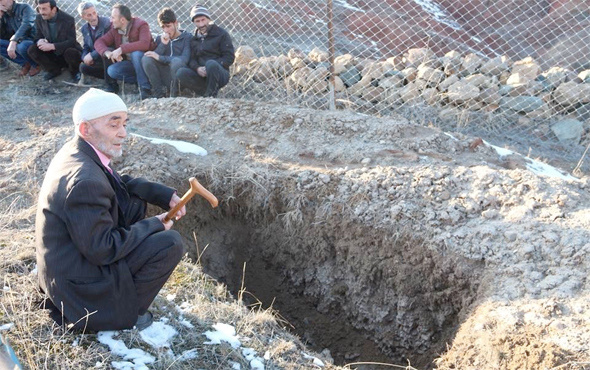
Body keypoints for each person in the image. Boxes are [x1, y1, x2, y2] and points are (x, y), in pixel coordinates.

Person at [35, 88, 186, 332]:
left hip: (71, 267)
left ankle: (119, 294)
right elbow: (103, 250)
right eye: (114, 125)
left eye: (125, 124)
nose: (123, 133)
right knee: (169, 243)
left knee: (134, 200)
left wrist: (162, 194)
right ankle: (123, 311)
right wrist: (154, 224)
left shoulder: (78, 152)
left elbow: (116, 182)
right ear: (86, 129)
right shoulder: (84, 181)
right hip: (77, 295)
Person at [94, 4, 153, 98]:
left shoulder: (141, 24)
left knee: (136, 54)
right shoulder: (115, 29)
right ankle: (141, 80)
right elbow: (99, 42)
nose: (110, 20)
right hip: (130, 64)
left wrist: (121, 49)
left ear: (122, 20)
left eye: (113, 17)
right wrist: (107, 53)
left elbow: (145, 43)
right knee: (112, 71)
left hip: (147, 63)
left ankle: (145, 88)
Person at [175, 5, 234, 97]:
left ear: (208, 19)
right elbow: (191, 59)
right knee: (181, 73)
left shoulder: (221, 34)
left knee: (211, 64)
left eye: (203, 20)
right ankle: (203, 94)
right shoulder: (193, 38)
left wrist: (209, 66)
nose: (201, 24)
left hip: (219, 72)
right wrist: (197, 68)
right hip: (201, 74)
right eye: (197, 21)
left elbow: (229, 57)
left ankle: (211, 95)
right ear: (194, 22)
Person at [141, 7, 190, 98]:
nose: (166, 30)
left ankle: (174, 95)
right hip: (165, 75)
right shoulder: (160, 38)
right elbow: (154, 56)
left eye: (168, 26)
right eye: (163, 27)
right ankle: (159, 94)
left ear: (176, 23)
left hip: (180, 76)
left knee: (176, 61)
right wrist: (163, 45)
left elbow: (184, 59)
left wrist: (161, 58)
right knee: (147, 58)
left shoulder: (187, 37)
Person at [27, 0, 82, 81]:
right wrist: (40, 41)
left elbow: (71, 41)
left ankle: (75, 72)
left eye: (44, 9)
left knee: (71, 52)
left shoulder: (68, 19)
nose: (41, 12)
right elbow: (38, 36)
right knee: (32, 50)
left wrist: (53, 46)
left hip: (65, 51)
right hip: (53, 53)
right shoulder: (39, 18)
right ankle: (53, 70)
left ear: (54, 9)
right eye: (40, 8)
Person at [0, 0, 40, 76]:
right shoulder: (5, 14)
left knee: (22, 46)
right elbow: (3, 35)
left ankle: (36, 65)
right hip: (18, 41)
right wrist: (0, 18)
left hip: (32, 40)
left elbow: (27, 25)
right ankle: (25, 63)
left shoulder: (24, 7)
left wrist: (13, 41)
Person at [78, 2, 110, 82]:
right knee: (83, 68)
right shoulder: (84, 28)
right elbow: (86, 46)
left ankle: (110, 82)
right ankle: (107, 75)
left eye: (94, 13)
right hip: (96, 61)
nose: (93, 17)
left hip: (107, 56)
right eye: (89, 15)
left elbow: (109, 44)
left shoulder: (106, 23)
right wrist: (85, 57)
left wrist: (92, 55)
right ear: (82, 17)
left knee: (107, 53)